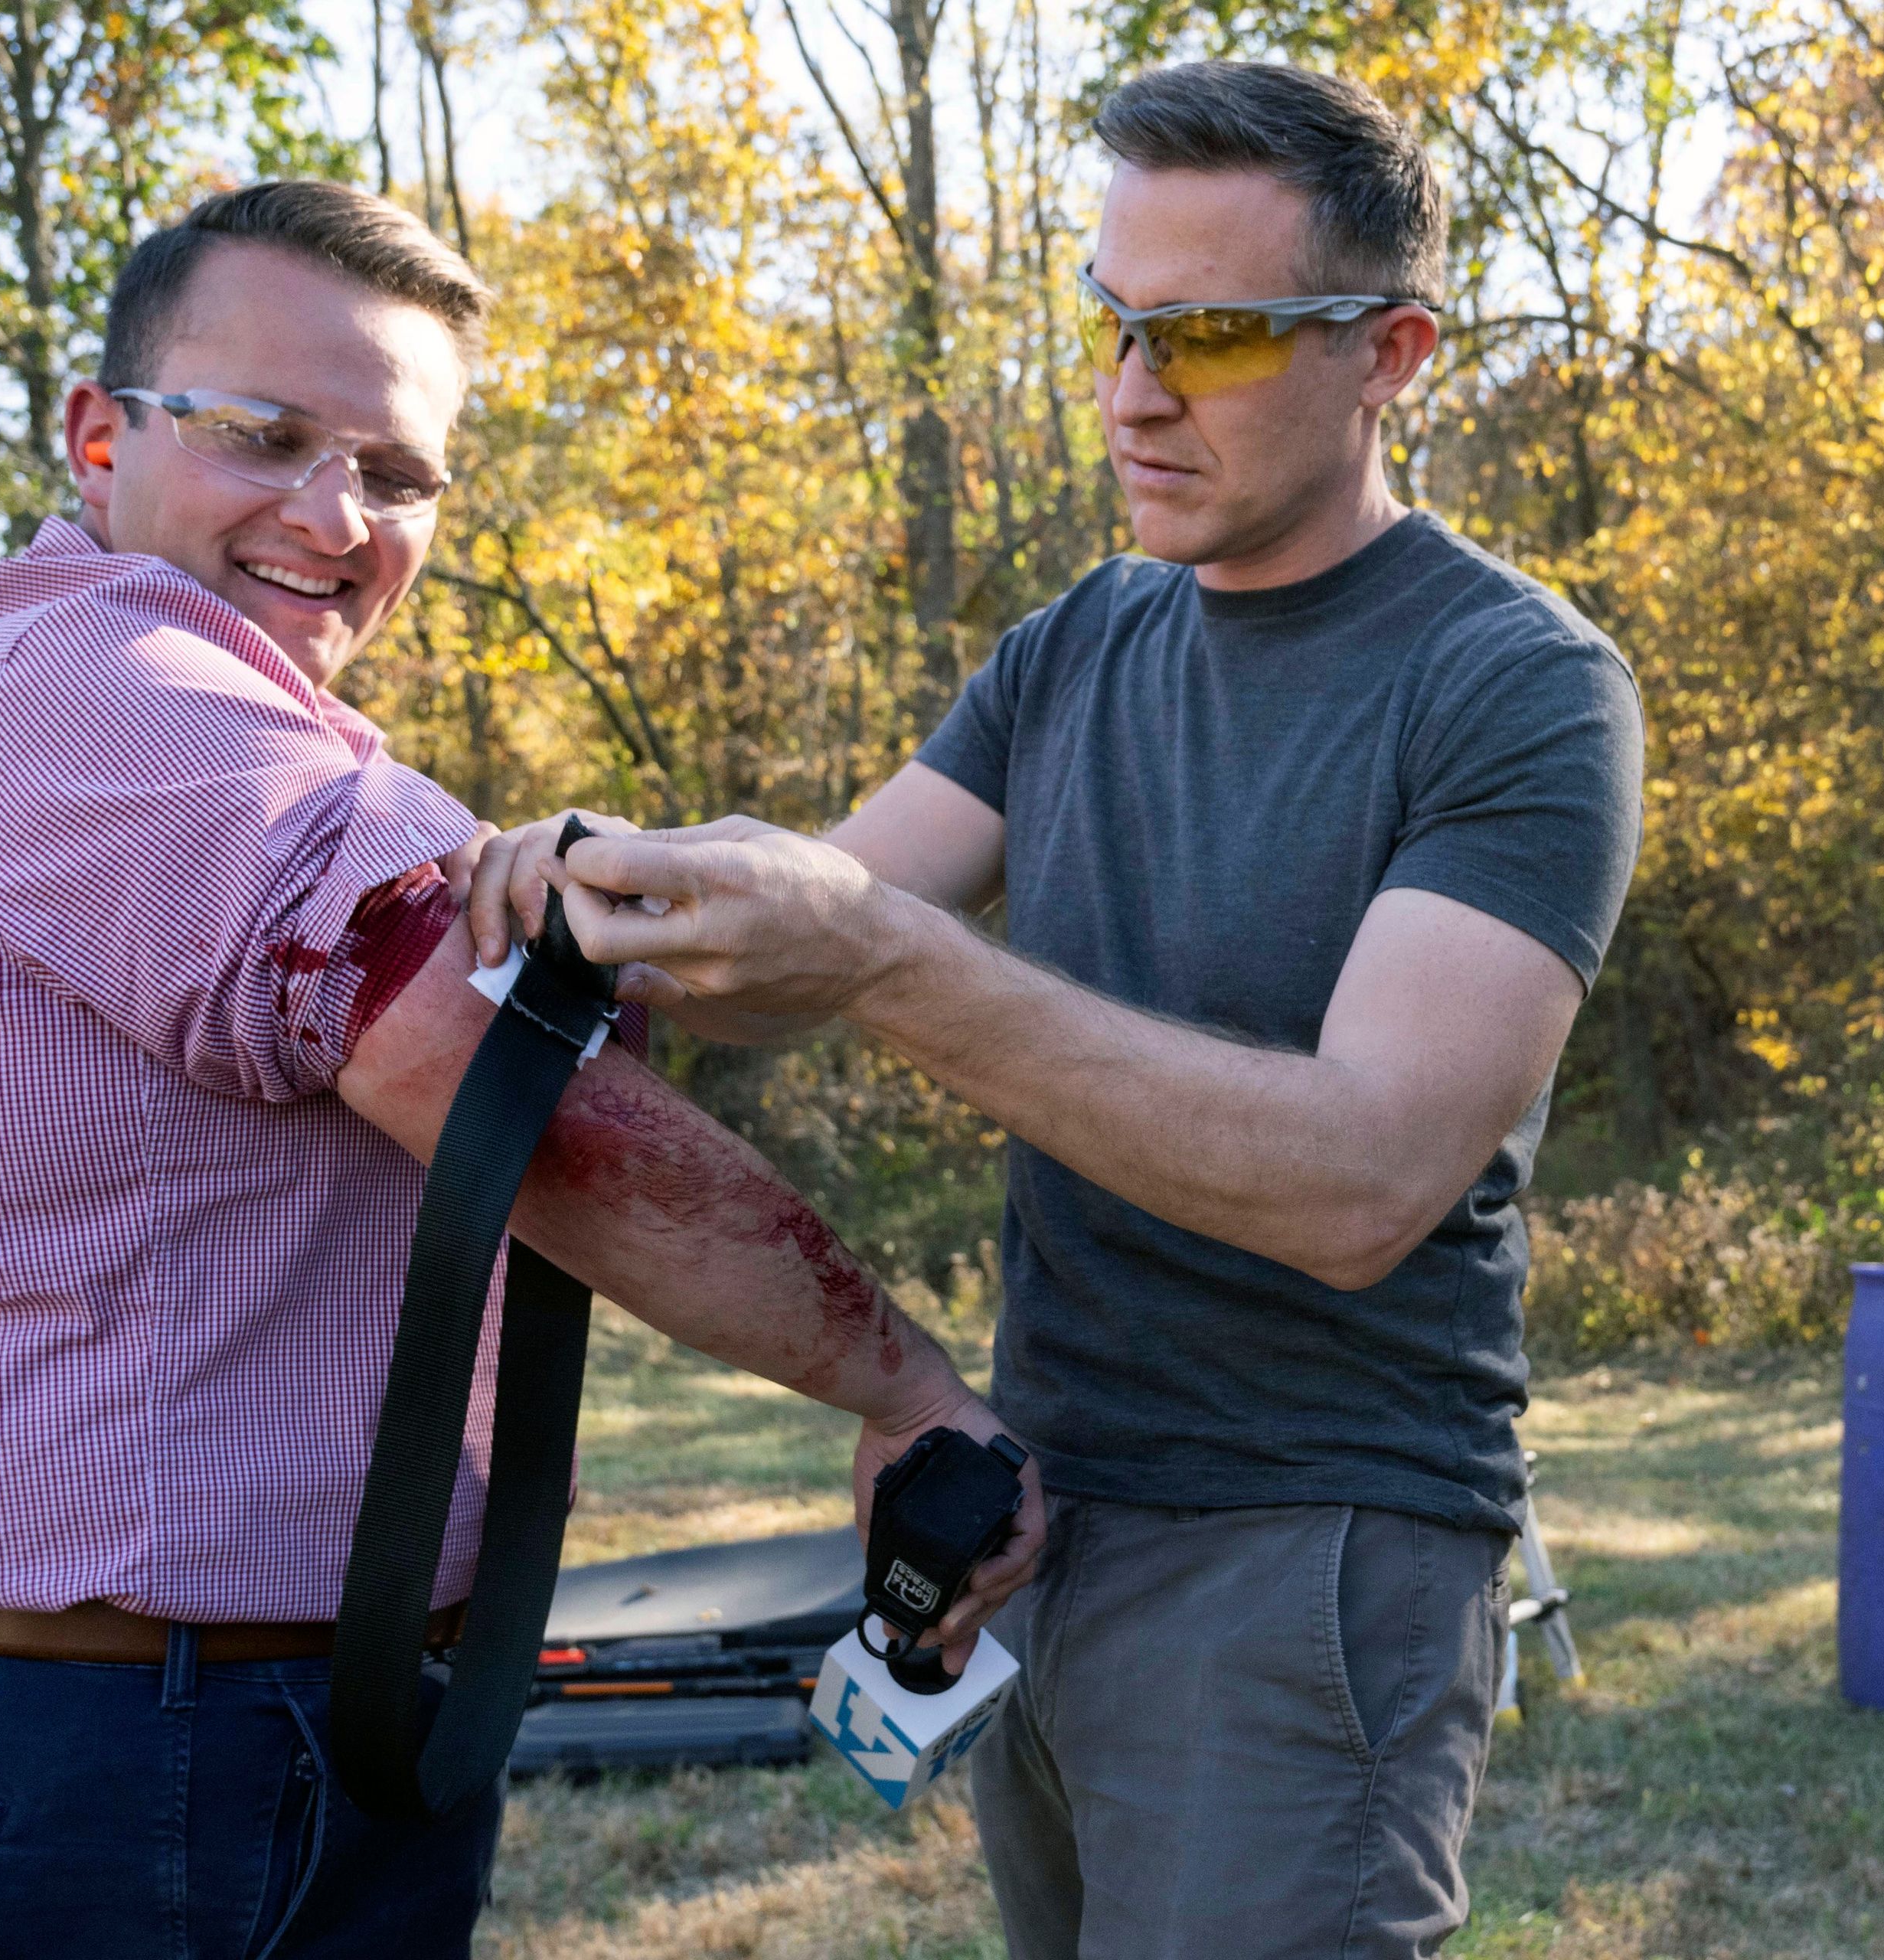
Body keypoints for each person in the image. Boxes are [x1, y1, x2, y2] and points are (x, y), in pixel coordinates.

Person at [0, 179, 1040, 1960]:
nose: (334, 515)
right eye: (268, 436)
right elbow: (516, 1104)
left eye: (398, 473)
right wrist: (909, 1389)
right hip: (111, 1762)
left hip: (180, 1729)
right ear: (97, 434)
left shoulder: (112, 692)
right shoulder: (119, 688)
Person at [470, 60, 1644, 1960]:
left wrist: (885, 959)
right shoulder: (1076, 643)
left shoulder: (1516, 688)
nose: (1130, 393)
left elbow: (1364, 1179)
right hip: (1027, 1526)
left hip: (1312, 1553)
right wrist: (594, 882)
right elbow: (783, 941)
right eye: (1113, 323)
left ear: (1393, 353)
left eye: (1215, 336)